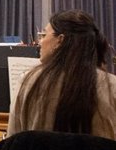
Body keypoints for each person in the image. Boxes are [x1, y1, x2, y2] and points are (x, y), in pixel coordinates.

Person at [8, 9, 116, 139]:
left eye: (43, 35)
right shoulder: (112, 86)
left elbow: (13, 140)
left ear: (60, 40)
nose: (40, 42)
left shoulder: (29, 80)